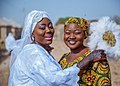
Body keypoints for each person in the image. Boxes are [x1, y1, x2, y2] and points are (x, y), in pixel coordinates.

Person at [5, 10, 105, 86]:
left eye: (50, 26)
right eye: (42, 27)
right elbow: (54, 80)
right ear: (32, 33)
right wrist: (86, 60)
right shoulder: (34, 53)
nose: (72, 36)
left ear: (85, 35)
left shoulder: (97, 59)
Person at [59, 17, 111, 86]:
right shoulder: (63, 58)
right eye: (67, 33)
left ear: (85, 35)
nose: (71, 36)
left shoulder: (97, 57)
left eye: (77, 33)